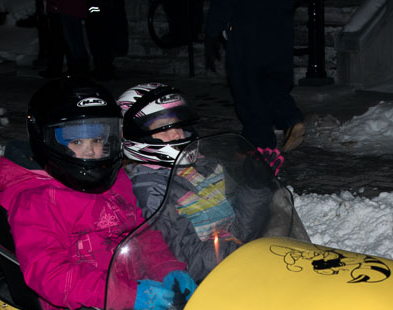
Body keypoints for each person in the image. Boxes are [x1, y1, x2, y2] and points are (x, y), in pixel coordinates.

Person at [0, 77, 197, 310]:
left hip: (126, 292)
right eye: (76, 141)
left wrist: (167, 269)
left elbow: (142, 237)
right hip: (75, 306)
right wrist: (127, 295)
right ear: (49, 141)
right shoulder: (36, 200)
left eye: (98, 139)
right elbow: (52, 277)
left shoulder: (116, 179)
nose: (91, 151)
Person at [117, 82, 282, 281]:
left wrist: (255, 187)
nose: (176, 134)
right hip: (205, 287)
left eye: (178, 124)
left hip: (236, 267)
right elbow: (188, 263)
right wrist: (245, 251)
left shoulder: (206, 167)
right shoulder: (150, 191)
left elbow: (239, 230)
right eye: (162, 128)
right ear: (135, 136)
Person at [203, 0, 306, 152]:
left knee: (247, 87)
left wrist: (213, 28)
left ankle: (256, 145)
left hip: (246, 25)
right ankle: (289, 117)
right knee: (271, 80)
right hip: (279, 21)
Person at [41, 0, 90, 77]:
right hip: (68, 5)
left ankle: (80, 72)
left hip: (67, 6)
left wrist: (54, 2)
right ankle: (77, 71)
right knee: (71, 40)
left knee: (73, 41)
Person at [84, 0, 128, 80]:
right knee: (99, 41)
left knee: (101, 41)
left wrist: (94, 8)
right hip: (102, 8)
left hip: (102, 10)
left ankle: (104, 70)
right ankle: (103, 68)